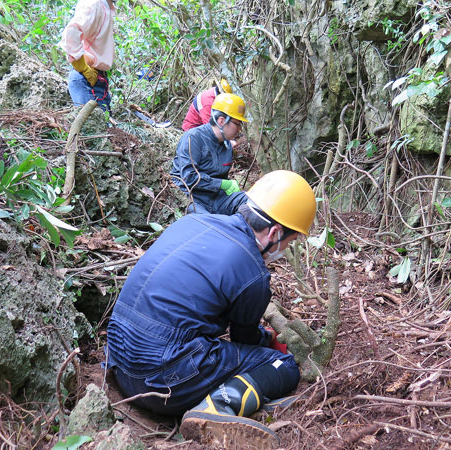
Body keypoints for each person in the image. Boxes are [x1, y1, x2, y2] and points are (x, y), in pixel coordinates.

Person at [106, 170, 317, 449]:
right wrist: (267, 343)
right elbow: (244, 339)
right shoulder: (253, 272)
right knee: (283, 366)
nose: (285, 250)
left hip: (118, 362)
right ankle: (216, 408)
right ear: (275, 233)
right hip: (159, 382)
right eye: (289, 243)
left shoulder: (192, 222)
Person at [171, 92, 248, 215]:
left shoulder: (227, 145)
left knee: (250, 202)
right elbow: (189, 178)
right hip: (192, 198)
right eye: (237, 124)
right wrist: (223, 184)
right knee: (209, 222)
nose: (239, 129)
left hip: (216, 199)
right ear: (222, 121)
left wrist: (228, 189)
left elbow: (221, 177)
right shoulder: (193, 138)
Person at [59, 0, 116, 112]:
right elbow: (72, 31)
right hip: (86, 78)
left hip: (98, 79)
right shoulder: (93, 3)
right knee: (91, 126)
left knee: (104, 127)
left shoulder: (105, 6)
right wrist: (82, 66)